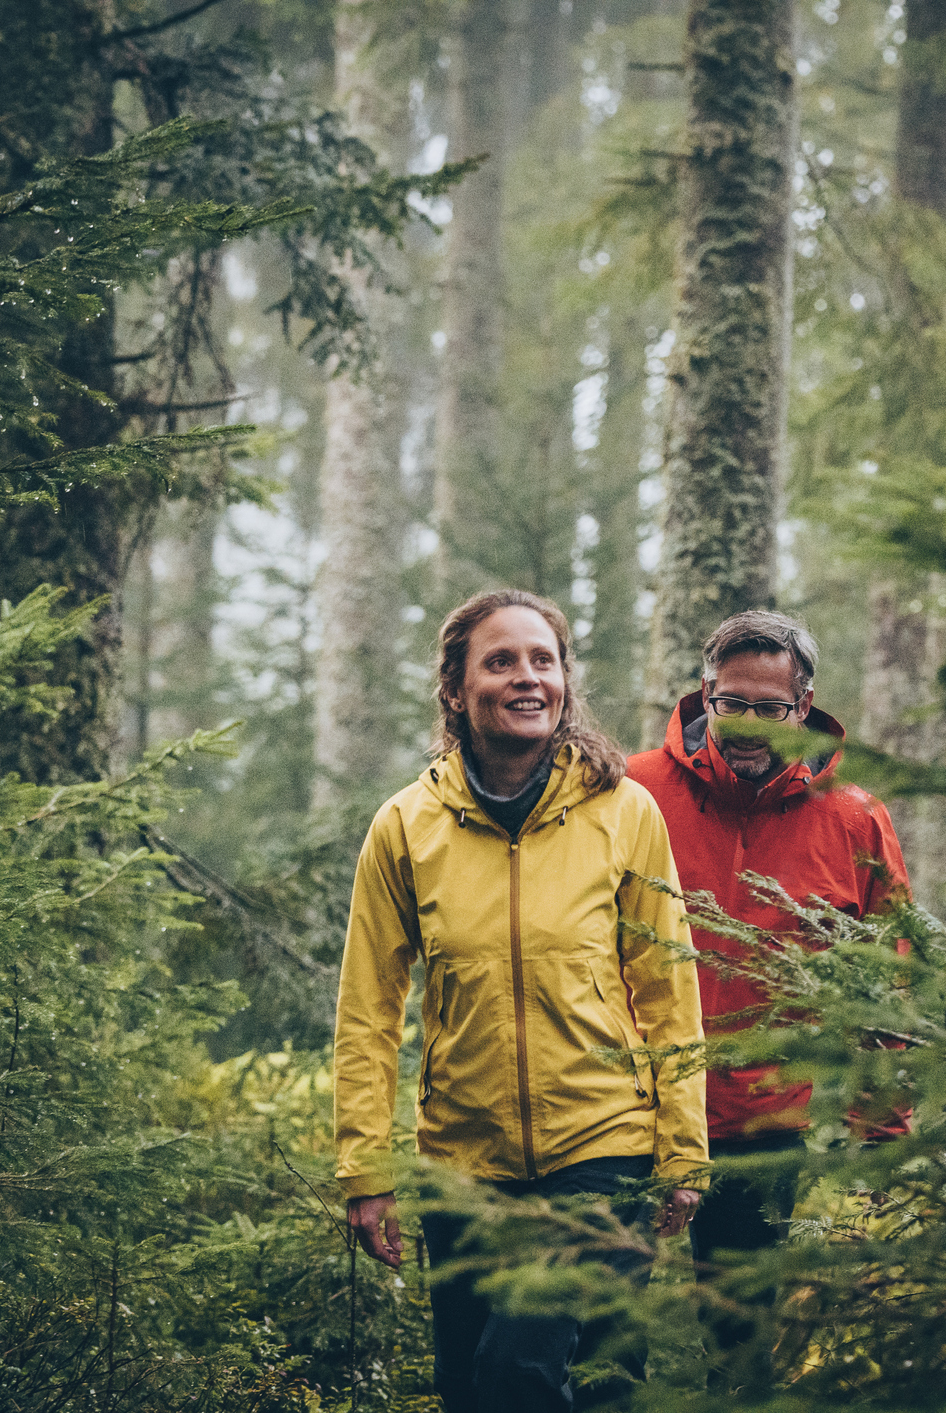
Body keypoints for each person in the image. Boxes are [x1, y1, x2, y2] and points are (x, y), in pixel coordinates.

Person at [333, 589, 708, 1413]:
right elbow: (368, 1009)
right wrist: (366, 1168)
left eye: (543, 660)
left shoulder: (622, 811)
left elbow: (667, 990)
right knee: (480, 1389)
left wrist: (681, 1147)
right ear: (456, 689)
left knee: (519, 1373)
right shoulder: (405, 827)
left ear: (565, 680)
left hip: (603, 1149)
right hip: (463, 1164)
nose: (526, 678)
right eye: (500, 661)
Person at [625, 609, 911, 1357]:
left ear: (804, 706)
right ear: (705, 693)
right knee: (600, 1335)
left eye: (772, 709)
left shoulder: (853, 818)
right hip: (626, 1106)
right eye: (733, 704)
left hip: (762, 1122)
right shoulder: (631, 791)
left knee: (739, 1341)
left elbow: (886, 978)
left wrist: (880, 1130)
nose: (750, 725)